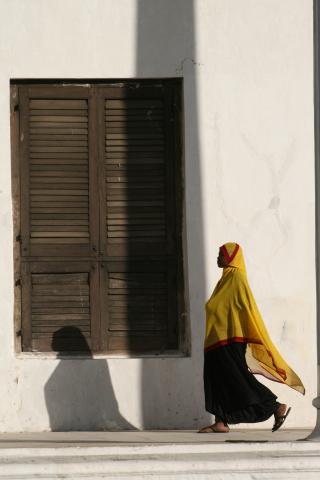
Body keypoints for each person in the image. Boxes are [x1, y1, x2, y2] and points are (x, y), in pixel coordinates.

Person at [199, 242, 305, 433]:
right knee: (216, 379)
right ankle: (221, 422)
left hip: (230, 341)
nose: (218, 258)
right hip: (216, 341)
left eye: (221, 254)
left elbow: (246, 310)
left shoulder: (237, 279)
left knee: (238, 378)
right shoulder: (225, 280)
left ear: (231, 258)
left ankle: (275, 406)